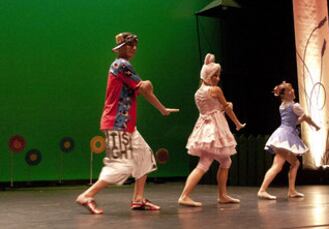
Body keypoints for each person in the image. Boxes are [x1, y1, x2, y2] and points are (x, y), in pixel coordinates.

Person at [76, 32, 179, 214]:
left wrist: (161, 108)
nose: (133, 48)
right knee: (120, 166)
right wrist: (152, 93)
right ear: (121, 47)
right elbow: (144, 88)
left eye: (135, 45)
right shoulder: (121, 65)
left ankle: (138, 200)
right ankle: (87, 195)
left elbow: (143, 89)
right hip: (117, 123)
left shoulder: (124, 67)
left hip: (127, 125)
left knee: (144, 156)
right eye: (130, 44)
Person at [178, 53, 246, 207]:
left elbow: (212, 108)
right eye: (215, 75)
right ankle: (184, 195)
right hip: (214, 129)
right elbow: (226, 109)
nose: (218, 78)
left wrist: (225, 107)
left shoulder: (198, 92)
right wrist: (237, 123)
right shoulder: (215, 90)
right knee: (204, 164)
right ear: (207, 75)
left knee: (226, 161)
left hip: (205, 126)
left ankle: (222, 195)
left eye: (218, 75)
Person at [257, 81, 320, 200]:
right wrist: (315, 126)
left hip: (282, 134)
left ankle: (291, 190)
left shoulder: (283, 106)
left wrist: (302, 120)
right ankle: (262, 190)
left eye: (292, 89)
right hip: (284, 137)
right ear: (284, 95)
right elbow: (307, 117)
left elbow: (293, 122)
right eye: (289, 91)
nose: (292, 92)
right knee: (278, 165)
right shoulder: (294, 106)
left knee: (295, 163)